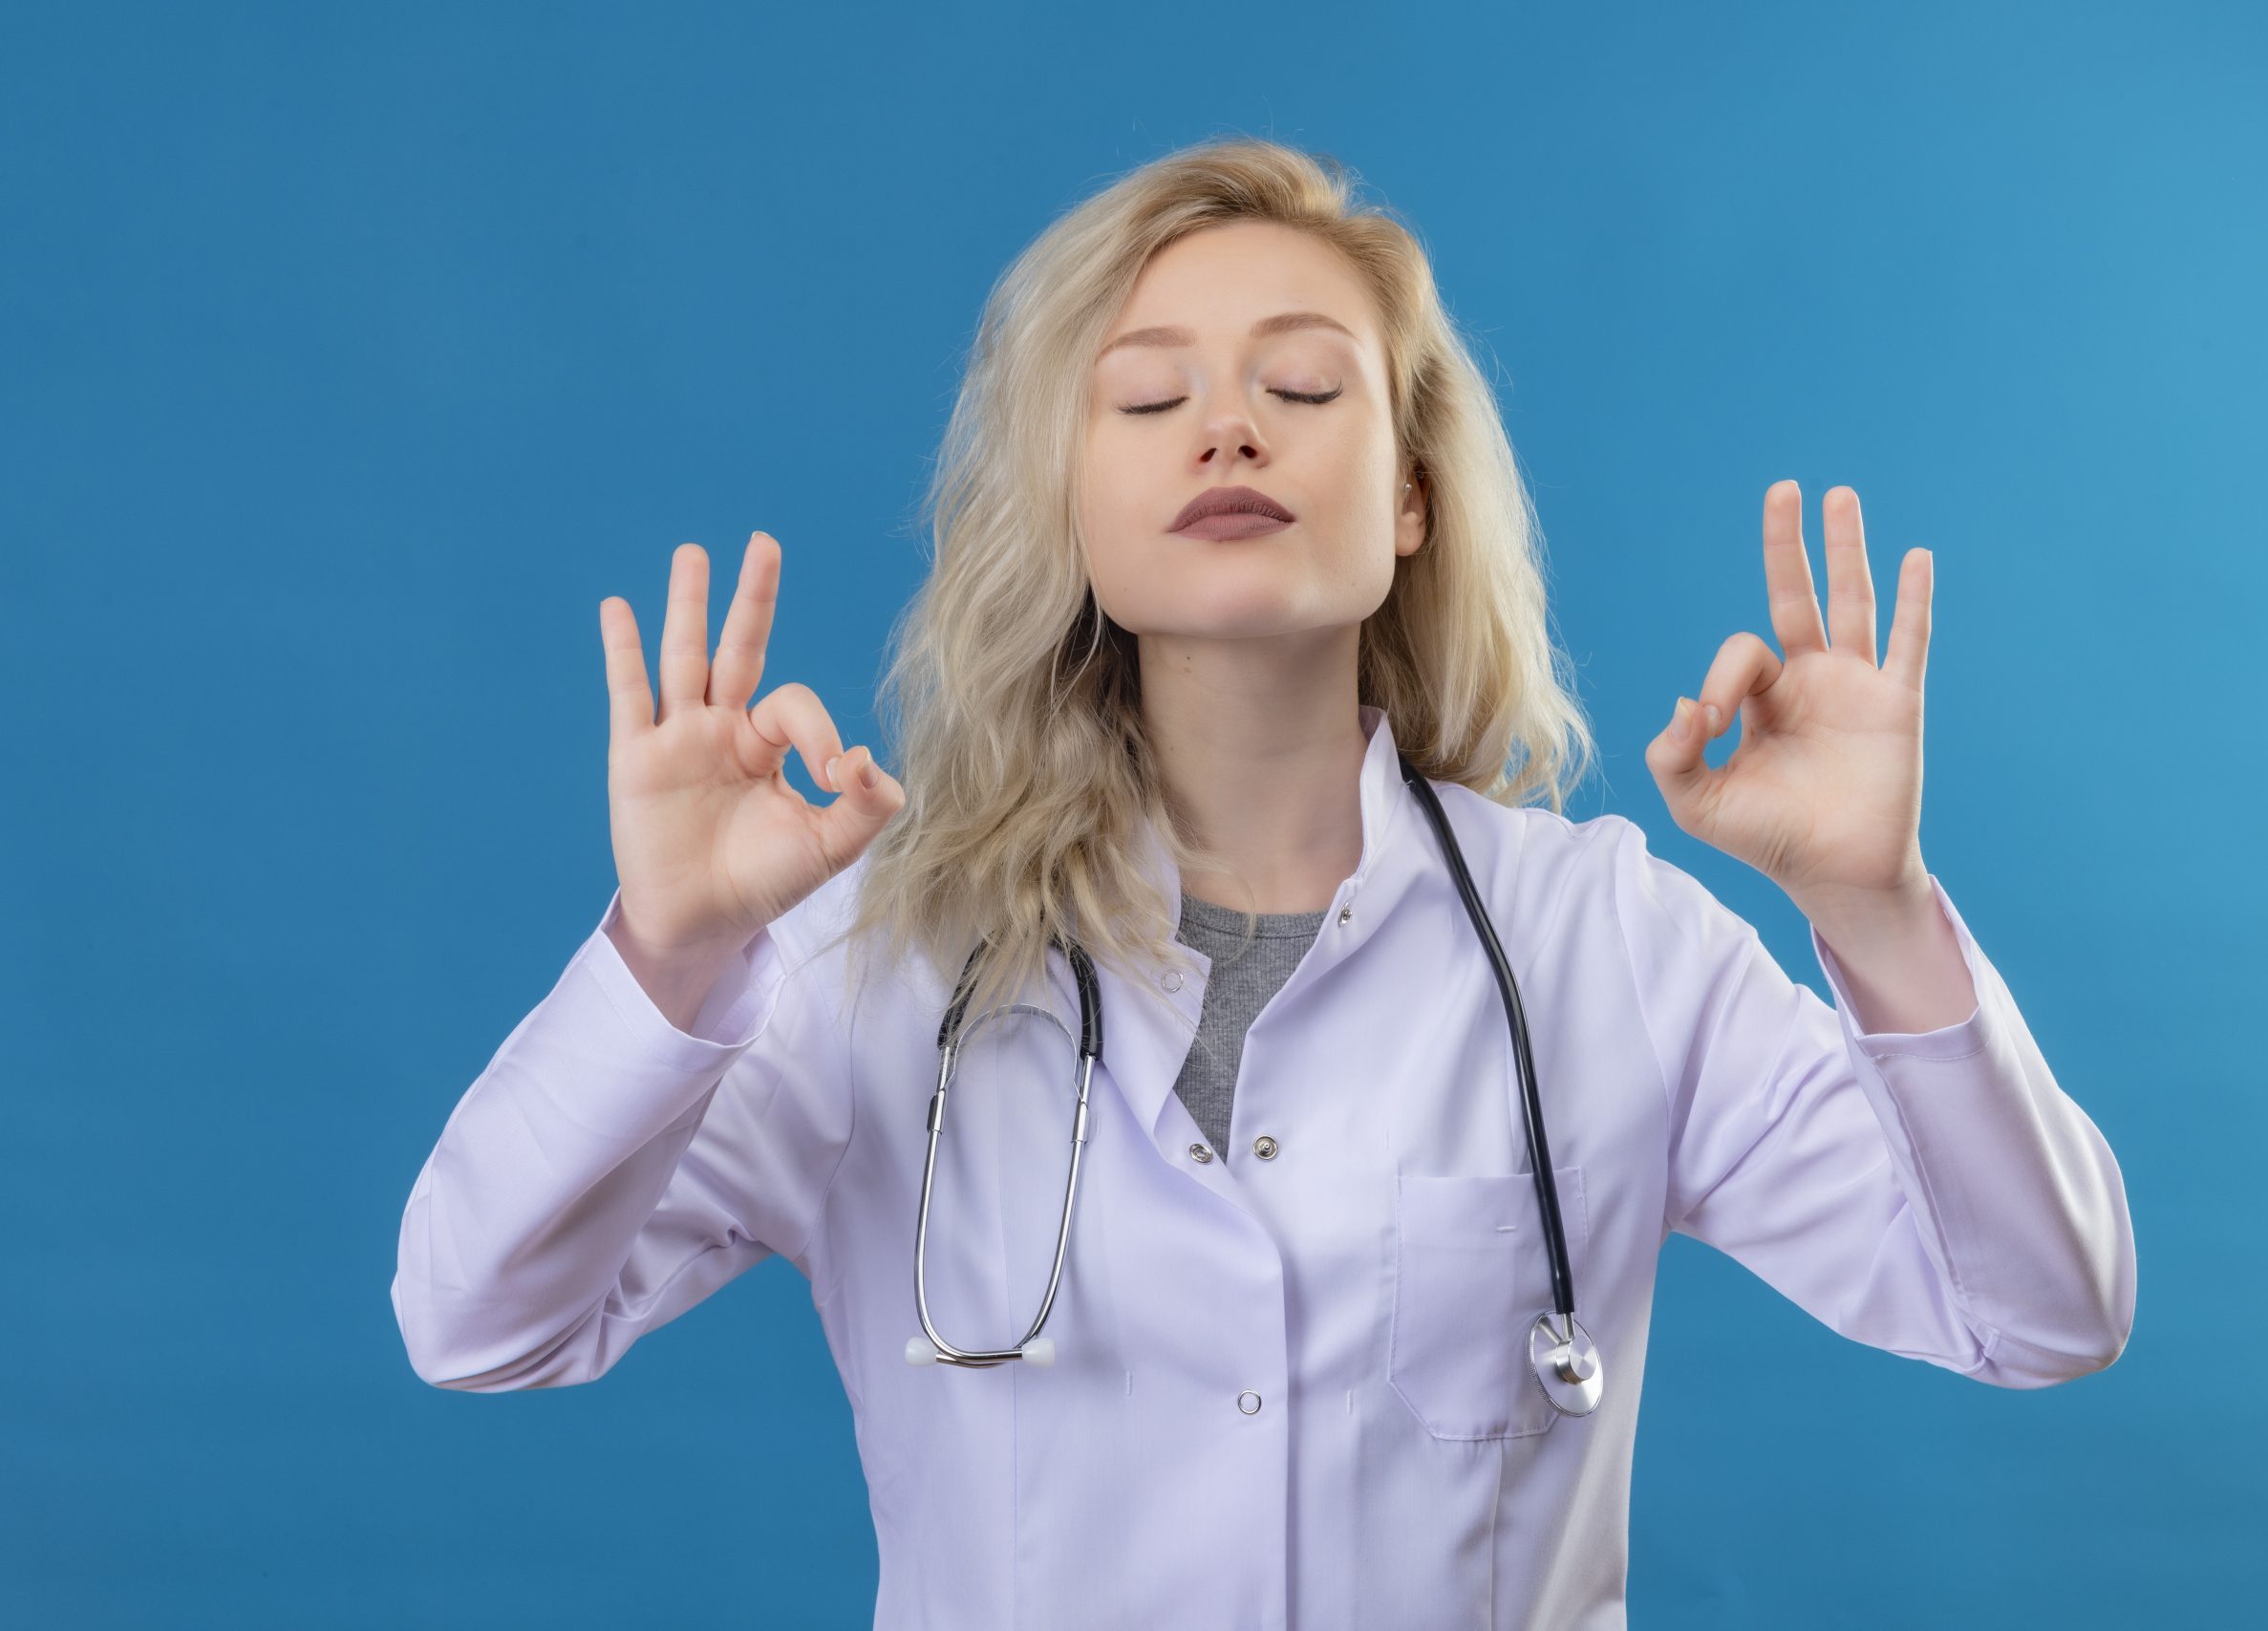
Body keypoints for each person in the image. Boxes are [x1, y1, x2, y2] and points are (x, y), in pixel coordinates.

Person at [391, 137, 2135, 1629]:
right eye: (1149, 396)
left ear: (1408, 504)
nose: (1228, 430)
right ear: (1069, 504)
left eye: (1305, 389)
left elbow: (2039, 1315)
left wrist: (1876, 910)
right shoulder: (875, 957)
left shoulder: (1604, 944)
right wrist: (671, 954)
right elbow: (478, 1325)